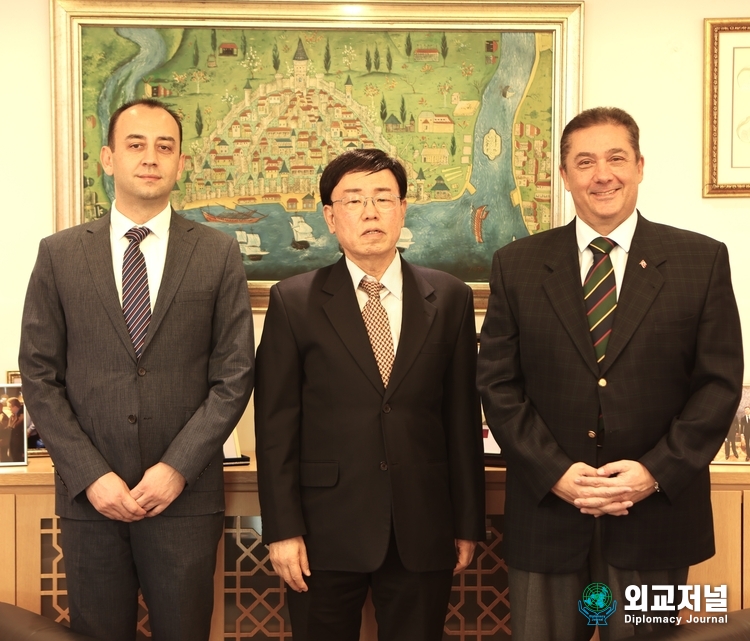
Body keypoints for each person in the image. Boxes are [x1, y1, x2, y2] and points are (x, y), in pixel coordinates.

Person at [477, 107, 743, 640]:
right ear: (565, 175)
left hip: (657, 517)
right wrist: (554, 472)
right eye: (585, 161)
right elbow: (499, 385)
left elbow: (717, 386)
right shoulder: (517, 264)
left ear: (640, 166)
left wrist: (653, 473)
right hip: (549, 515)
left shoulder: (701, 259)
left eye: (616, 157)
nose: (603, 174)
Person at [20, 98, 255, 641]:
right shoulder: (59, 255)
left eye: (164, 147)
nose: (151, 158)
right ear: (107, 158)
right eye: (135, 144)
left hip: (185, 497)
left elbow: (234, 374)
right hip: (91, 500)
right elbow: (39, 375)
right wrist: (90, 475)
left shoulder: (218, 254)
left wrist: (177, 468)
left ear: (180, 163)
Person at [254, 148, 485, 641]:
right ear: (330, 217)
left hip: (422, 527)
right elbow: (275, 428)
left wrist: (467, 522)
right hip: (321, 532)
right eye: (354, 200)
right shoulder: (293, 300)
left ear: (403, 209)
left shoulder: (450, 297)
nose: (370, 212)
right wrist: (281, 529)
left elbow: (462, 420)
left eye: (384, 198)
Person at [7, 397, 25, 462]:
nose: (9, 409)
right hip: (13, 449)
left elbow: (24, 436)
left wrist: (24, 451)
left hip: (20, 450)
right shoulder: (12, 416)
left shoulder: (23, 416)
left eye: (10, 407)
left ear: (15, 406)